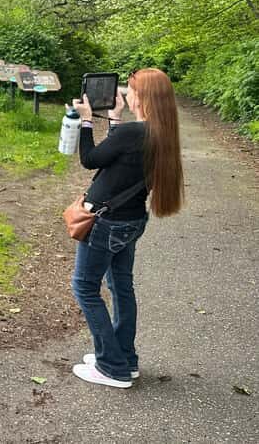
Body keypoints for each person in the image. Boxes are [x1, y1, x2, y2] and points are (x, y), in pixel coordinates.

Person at [70, 68, 184, 388]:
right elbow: (120, 159)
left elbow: (91, 159)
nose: (127, 94)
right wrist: (116, 118)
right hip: (130, 222)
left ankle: (112, 366)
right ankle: (126, 358)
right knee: (121, 286)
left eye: (131, 90)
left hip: (107, 223)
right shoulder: (159, 133)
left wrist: (88, 120)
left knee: (85, 287)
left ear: (143, 97)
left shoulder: (133, 133)